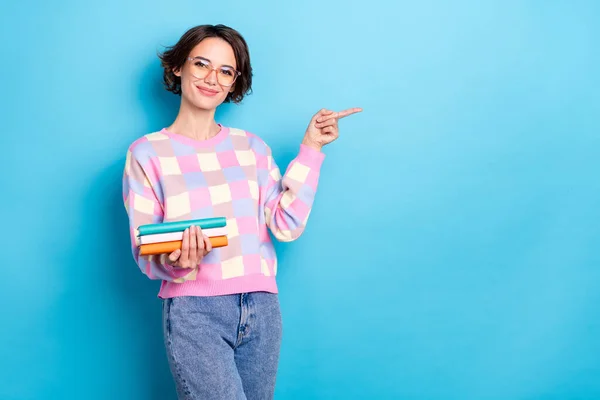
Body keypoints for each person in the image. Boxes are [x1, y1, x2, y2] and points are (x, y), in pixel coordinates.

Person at [122, 24, 361, 399]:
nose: (211, 78)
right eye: (201, 64)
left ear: (234, 83)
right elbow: (145, 251)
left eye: (226, 71)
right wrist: (181, 262)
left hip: (263, 308)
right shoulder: (146, 154)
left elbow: (286, 224)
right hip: (194, 311)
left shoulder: (251, 148)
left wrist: (311, 148)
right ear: (178, 68)